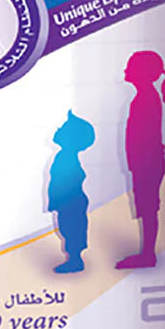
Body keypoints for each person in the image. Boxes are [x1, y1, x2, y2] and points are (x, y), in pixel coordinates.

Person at [117, 51, 165, 270]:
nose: (126, 70)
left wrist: (138, 164)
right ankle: (147, 252)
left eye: (130, 66)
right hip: (146, 162)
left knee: (148, 207)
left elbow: (144, 136)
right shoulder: (145, 97)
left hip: (147, 163)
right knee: (147, 207)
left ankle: (148, 254)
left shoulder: (146, 98)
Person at [47, 110, 95, 273]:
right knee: (68, 229)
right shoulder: (65, 156)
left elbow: (64, 183)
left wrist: (57, 201)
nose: (58, 129)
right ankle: (74, 259)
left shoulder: (65, 158)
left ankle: (75, 260)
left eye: (63, 128)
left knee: (71, 229)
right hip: (70, 202)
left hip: (71, 203)